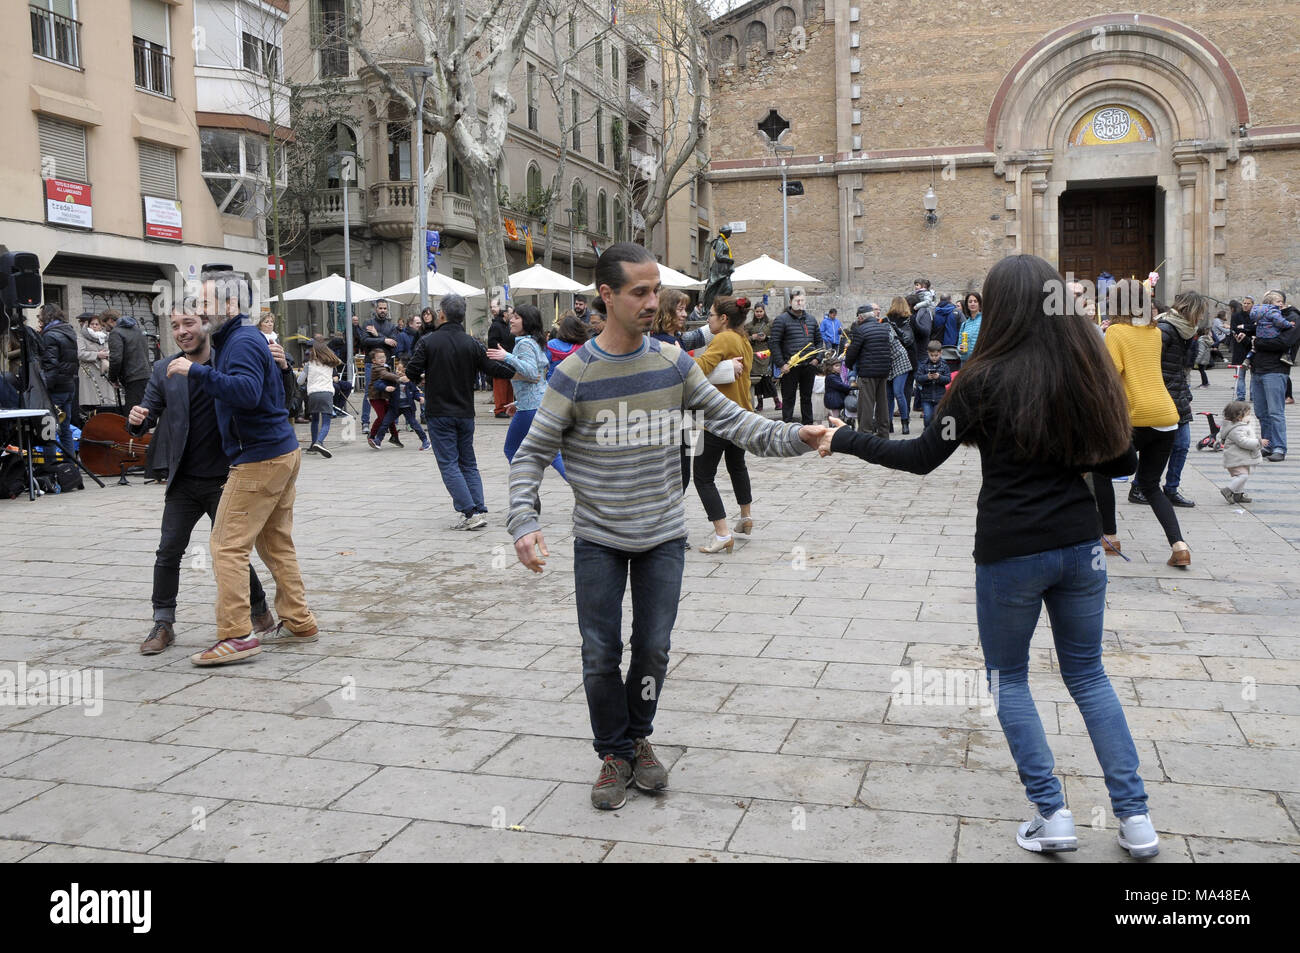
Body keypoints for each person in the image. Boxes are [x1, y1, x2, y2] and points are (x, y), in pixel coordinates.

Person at [818, 253, 1158, 859]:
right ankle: (1135, 821)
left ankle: (1051, 813)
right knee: (1089, 674)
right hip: (1082, 549)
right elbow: (1123, 462)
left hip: (1010, 551)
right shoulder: (1088, 366)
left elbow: (920, 456)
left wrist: (845, 438)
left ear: (996, 308)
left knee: (1009, 679)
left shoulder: (980, 379)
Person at [507, 242, 824, 811]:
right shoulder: (572, 376)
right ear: (606, 296)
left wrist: (796, 437)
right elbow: (529, 455)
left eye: (657, 291)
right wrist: (524, 521)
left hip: (662, 536)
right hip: (598, 539)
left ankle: (638, 737)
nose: (655, 302)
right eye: (641, 292)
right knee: (599, 652)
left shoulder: (675, 365)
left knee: (652, 648)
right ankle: (614, 752)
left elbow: (735, 422)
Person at [174, 270, 321, 666]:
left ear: (230, 305)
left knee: (226, 546)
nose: (199, 310)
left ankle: (236, 635)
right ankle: (299, 620)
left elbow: (247, 392)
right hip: (279, 452)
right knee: (275, 543)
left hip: (259, 458)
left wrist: (197, 371)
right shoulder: (241, 338)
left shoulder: (239, 341)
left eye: (205, 303)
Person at [127, 307, 278, 655]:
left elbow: (262, 397)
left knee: (230, 552)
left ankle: (259, 611)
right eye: (176, 325)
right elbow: (147, 413)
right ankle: (163, 622)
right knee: (168, 551)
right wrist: (137, 420)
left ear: (205, 326)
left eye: (189, 323)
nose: (181, 331)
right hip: (183, 480)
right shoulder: (165, 369)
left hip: (226, 478)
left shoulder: (228, 363)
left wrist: (280, 368)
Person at [1090, 279, 1193, 568]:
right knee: (1150, 485)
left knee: (1100, 473)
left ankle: (1109, 536)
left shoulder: (1116, 332)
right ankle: (1179, 546)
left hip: (1134, 416)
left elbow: (1110, 376)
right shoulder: (1155, 332)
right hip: (1166, 416)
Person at [405, 293, 515, 529]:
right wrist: (519, 372)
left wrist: (424, 377)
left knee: (449, 463)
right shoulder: (472, 343)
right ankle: (478, 507)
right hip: (465, 412)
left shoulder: (428, 341)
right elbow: (492, 368)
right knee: (468, 462)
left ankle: (469, 512)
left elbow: (412, 371)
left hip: (439, 412)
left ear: (442, 314)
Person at [692, 295, 759, 552]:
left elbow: (699, 367)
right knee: (737, 466)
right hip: (741, 414)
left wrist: (677, 357)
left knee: (702, 476)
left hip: (719, 418)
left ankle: (722, 534)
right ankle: (745, 517)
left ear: (723, 318)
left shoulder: (724, 338)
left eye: (710, 315)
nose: (707, 319)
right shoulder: (743, 340)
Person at [486, 304, 565, 478]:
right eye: (512, 316)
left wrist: (506, 356)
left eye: (516, 317)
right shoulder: (532, 342)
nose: (511, 320)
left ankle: (525, 488)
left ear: (527, 322)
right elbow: (538, 379)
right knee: (551, 452)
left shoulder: (525, 345)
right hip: (535, 404)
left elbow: (531, 373)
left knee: (512, 449)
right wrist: (517, 402)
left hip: (530, 408)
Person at [1154, 292, 1206, 508]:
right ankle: (1141, 485)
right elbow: (1153, 365)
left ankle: (1171, 489)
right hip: (1163, 395)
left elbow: (1180, 369)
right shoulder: (1166, 330)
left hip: (1177, 393)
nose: (1201, 318)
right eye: (1200, 312)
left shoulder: (1185, 332)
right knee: (1156, 446)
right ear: (1191, 310)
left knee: (1181, 445)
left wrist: (1186, 395)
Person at [1250, 290, 1300, 461]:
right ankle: (1268, 444)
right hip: (1258, 368)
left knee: (1275, 412)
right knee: (1261, 412)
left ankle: (1279, 447)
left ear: (1283, 302)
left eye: (1277, 301)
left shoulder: (1293, 317)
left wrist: (1258, 342)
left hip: (1276, 369)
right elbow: (1254, 332)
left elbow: (1284, 342)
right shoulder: (1265, 315)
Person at [770, 288, 823, 424]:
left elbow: (819, 341)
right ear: (790, 301)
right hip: (790, 367)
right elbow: (774, 343)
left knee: (806, 398)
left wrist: (817, 359)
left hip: (809, 366)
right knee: (788, 399)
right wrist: (781, 364)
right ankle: (786, 428)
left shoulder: (811, 320)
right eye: (797, 300)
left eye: (802, 300)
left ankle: (808, 427)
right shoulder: (781, 320)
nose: (800, 303)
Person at [844, 302, 894, 437]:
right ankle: (884, 432)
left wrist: (849, 365)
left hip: (868, 372)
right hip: (883, 371)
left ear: (860, 317)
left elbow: (852, 353)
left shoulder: (860, 330)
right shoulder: (884, 328)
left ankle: (865, 433)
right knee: (882, 403)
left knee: (866, 404)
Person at [38, 304, 78, 457]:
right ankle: (71, 469)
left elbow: (51, 366)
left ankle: (51, 470)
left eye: (40, 316)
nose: (39, 319)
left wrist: (45, 389)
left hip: (55, 389)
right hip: (68, 386)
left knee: (48, 431)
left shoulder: (50, 335)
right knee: (65, 429)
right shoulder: (68, 331)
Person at [358, 299, 398, 431]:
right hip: (371, 364)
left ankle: (386, 422)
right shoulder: (368, 323)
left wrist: (377, 336)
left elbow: (393, 345)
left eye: (385, 308)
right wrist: (384, 340)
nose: (382, 311)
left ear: (387, 310)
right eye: (380, 308)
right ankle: (365, 422)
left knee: (387, 393)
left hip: (386, 365)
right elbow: (364, 341)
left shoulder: (391, 326)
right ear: (376, 309)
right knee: (369, 393)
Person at [300, 342, 342, 457]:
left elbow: (300, 381)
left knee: (315, 420)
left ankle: (313, 444)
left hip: (313, 394)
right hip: (326, 393)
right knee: (326, 422)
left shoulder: (309, 364)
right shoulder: (331, 364)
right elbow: (338, 361)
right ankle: (319, 442)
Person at [1217, 399, 1263, 504]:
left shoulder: (1240, 426)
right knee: (1243, 476)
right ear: (1238, 417)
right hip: (1235, 458)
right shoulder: (1236, 429)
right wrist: (1259, 443)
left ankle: (1238, 494)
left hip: (1240, 457)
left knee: (1244, 475)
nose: (1250, 417)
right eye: (1248, 415)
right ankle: (1228, 490)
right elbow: (1244, 442)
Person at [104, 308, 151, 410]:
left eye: (104, 324)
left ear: (110, 320)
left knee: (132, 414)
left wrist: (112, 378)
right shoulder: (138, 330)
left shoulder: (116, 333)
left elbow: (116, 359)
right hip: (145, 376)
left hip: (132, 378)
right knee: (143, 412)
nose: (105, 329)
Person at [885, 298, 916, 432]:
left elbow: (908, 339)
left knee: (897, 392)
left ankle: (904, 422)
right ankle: (890, 423)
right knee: (893, 394)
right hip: (891, 359)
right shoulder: (888, 321)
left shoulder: (907, 320)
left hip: (901, 359)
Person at [76, 311, 113, 414]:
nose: (94, 326)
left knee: (106, 405)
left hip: (104, 373)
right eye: (92, 324)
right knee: (90, 403)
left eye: (97, 324)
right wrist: (97, 355)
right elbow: (80, 354)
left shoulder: (106, 338)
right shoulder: (81, 337)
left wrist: (108, 354)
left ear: (101, 326)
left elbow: (112, 351)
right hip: (88, 372)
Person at [389, 358, 430, 451]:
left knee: (414, 424)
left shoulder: (409, 381)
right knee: (386, 421)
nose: (398, 372)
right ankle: (377, 439)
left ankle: (425, 441)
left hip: (407, 407)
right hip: (396, 406)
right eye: (397, 369)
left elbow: (415, 391)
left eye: (401, 370)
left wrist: (420, 397)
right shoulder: (393, 379)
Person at [366, 348, 402, 450]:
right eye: (379, 358)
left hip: (383, 397)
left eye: (383, 357)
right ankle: (372, 436)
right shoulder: (377, 368)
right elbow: (385, 375)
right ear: (374, 361)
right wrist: (398, 378)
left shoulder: (385, 366)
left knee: (389, 417)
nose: (382, 359)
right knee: (383, 418)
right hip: (375, 397)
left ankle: (394, 436)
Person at [747, 302, 779, 411]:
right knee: (757, 380)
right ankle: (759, 404)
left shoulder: (770, 324)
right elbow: (743, 340)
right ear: (754, 312)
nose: (759, 313)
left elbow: (776, 337)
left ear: (764, 311)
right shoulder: (749, 325)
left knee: (767, 378)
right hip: (754, 356)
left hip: (766, 354)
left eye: (761, 311)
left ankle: (777, 402)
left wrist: (766, 338)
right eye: (757, 311)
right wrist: (752, 337)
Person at [913, 340, 951, 429]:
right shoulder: (923, 365)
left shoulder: (944, 365)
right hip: (927, 397)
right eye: (931, 355)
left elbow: (948, 379)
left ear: (941, 353)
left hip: (940, 397)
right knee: (927, 417)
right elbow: (918, 378)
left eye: (936, 355)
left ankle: (934, 432)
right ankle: (927, 430)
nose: (934, 358)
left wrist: (939, 377)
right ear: (928, 353)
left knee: (937, 417)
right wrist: (927, 377)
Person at [487, 299, 515, 418]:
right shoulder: (496, 326)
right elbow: (492, 342)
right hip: (499, 361)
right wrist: (505, 350)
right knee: (501, 386)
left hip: (507, 359)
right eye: (510, 313)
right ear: (505, 314)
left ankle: (508, 408)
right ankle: (499, 410)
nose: (512, 316)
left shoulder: (506, 326)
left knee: (508, 386)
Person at [700, 225, 735, 315]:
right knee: (716, 287)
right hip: (719, 269)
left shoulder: (724, 241)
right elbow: (718, 256)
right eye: (729, 232)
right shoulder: (720, 241)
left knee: (727, 289)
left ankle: (716, 307)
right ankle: (711, 307)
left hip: (724, 269)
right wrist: (729, 259)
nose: (730, 234)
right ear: (726, 232)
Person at [547, 313, 589, 378]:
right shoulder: (584, 346)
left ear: (561, 329)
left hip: (553, 382)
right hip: (574, 383)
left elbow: (542, 364)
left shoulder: (551, 344)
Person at [1228, 298, 1253, 401]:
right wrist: (1249, 328)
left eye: (1248, 303)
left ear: (1252, 304)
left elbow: (1256, 328)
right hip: (1239, 347)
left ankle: (1253, 395)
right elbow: (1234, 329)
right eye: (1244, 303)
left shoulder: (1255, 316)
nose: (1246, 305)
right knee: (1240, 374)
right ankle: (1241, 395)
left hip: (1252, 347)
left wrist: (1243, 327)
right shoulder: (1236, 316)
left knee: (1254, 375)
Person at [930, 294, 962, 373]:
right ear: (950, 300)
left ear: (940, 300)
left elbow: (930, 329)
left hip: (937, 348)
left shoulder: (934, 312)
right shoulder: (957, 311)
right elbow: (963, 327)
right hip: (953, 349)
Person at [957, 292, 983, 365]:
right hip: (965, 363)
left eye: (975, 301)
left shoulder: (985, 321)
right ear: (967, 305)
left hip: (978, 362)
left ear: (979, 304)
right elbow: (959, 344)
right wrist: (960, 349)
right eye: (970, 301)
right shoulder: (964, 324)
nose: (972, 304)